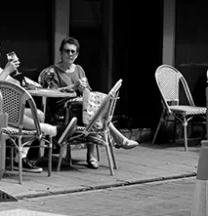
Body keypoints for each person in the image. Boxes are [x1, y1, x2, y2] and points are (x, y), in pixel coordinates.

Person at [40, 36, 137, 169]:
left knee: (93, 106)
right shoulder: (52, 71)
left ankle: (95, 152)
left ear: (77, 54)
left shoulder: (79, 69)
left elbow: (88, 92)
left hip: (81, 110)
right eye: (66, 51)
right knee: (94, 108)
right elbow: (49, 93)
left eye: (72, 51)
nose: (69, 54)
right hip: (62, 111)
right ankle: (115, 140)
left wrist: (83, 88)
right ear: (60, 52)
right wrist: (72, 88)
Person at [0, 33, 57, 173]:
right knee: (10, 114)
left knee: (38, 114)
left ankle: (21, 157)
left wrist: (16, 79)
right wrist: (7, 70)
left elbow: (13, 82)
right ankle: (50, 129)